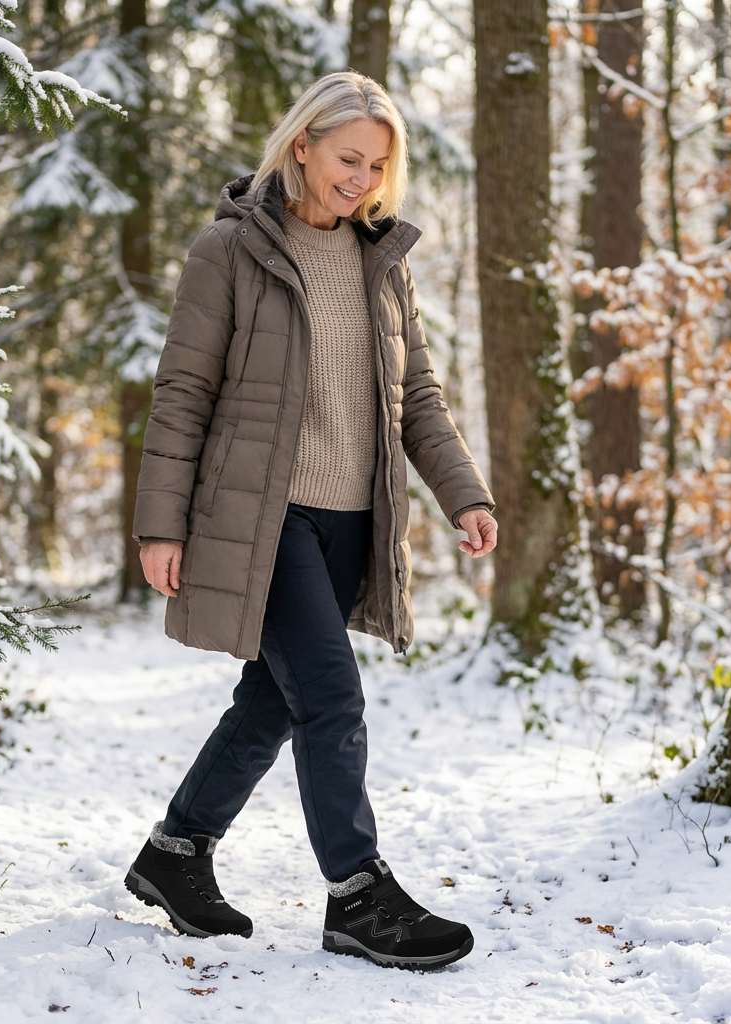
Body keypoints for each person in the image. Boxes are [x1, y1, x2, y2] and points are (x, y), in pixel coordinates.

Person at [124, 71, 497, 972]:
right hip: (263, 517)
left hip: (350, 520)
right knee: (330, 697)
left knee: (272, 702)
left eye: (376, 165)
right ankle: (358, 896)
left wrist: (466, 492)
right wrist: (158, 525)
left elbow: (416, 398)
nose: (360, 179)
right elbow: (183, 394)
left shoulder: (383, 261)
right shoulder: (230, 252)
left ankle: (174, 855)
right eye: (345, 158)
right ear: (301, 146)